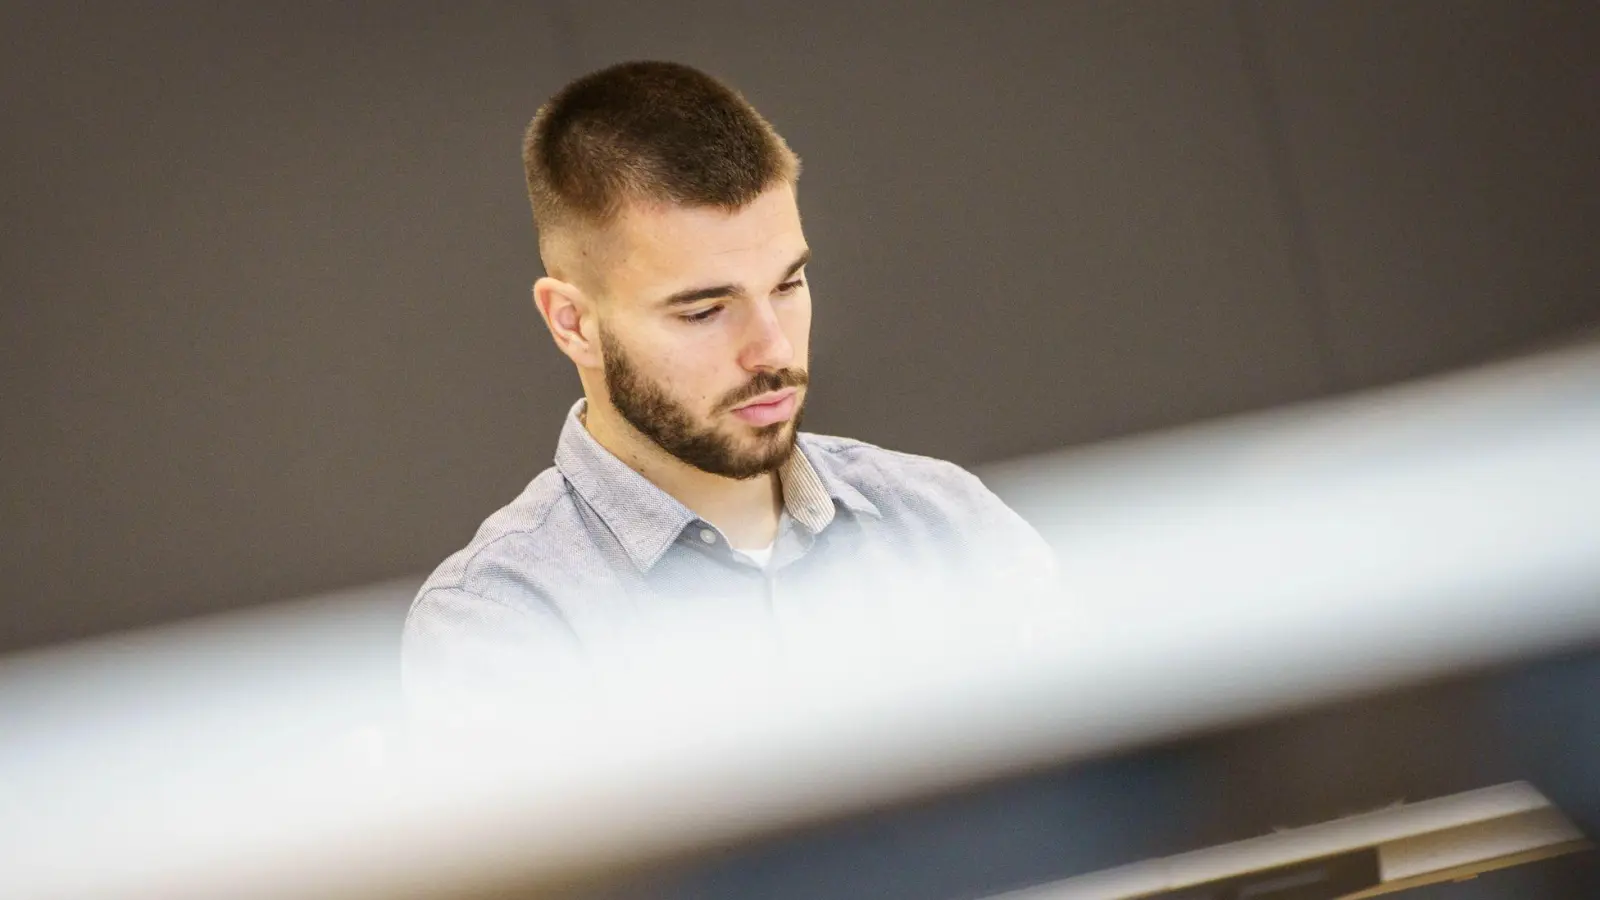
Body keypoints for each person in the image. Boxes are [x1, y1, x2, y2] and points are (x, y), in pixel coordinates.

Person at [402, 61, 1055, 722]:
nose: (772, 349)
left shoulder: (948, 524)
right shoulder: (504, 622)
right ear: (574, 324)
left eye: (788, 284)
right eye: (703, 311)